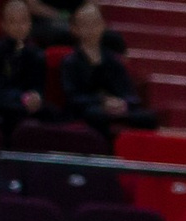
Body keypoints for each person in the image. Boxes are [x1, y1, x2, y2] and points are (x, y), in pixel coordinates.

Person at [59, 4, 151, 133]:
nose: (91, 28)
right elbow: (73, 98)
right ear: (74, 29)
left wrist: (122, 103)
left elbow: (130, 95)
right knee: (95, 115)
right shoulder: (70, 62)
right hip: (87, 110)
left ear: (103, 25)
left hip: (115, 108)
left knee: (147, 118)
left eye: (95, 23)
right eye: (86, 24)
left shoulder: (114, 60)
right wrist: (102, 102)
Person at [0, 0, 47, 125]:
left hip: (27, 106)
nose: (19, 27)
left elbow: (37, 85)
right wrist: (22, 97)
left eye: (23, 21)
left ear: (30, 23)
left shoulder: (37, 54)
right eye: (13, 22)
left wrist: (35, 95)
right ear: (2, 24)